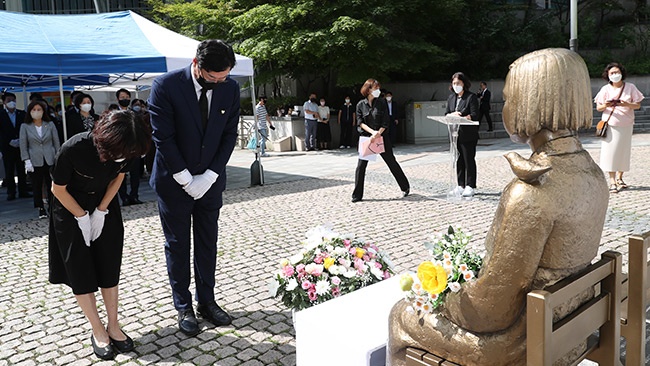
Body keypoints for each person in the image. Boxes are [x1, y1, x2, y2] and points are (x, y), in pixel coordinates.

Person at [388, 48, 609, 366]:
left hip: (521, 345)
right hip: (569, 329)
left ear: (531, 102)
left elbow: (490, 312)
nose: (505, 106)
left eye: (509, 98)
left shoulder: (531, 192)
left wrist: (442, 296)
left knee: (403, 313)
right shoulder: (593, 173)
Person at [148, 39, 239, 336]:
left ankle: (207, 301)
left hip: (210, 183)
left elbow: (228, 135)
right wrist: (186, 179)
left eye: (223, 77)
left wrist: (210, 175)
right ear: (197, 65)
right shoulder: (166, 86)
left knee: (207, 243)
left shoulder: (230, 88)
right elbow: (164, 138)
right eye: (213, 78)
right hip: (174, 183)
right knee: (177, 245)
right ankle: (183, 306)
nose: (219, 83)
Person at [48, 110, 151, 360]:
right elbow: (57, 189)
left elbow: (119, 177)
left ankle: (113, 326)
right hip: (70, 207)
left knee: (108, 265)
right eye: (117, 153)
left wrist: (101, 210)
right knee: (80, 270)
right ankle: (98, 330)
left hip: (104, 205)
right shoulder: (74, 148)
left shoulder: (129, 146)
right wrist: (82, 216)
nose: (122, 158)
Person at [352, 79, 410, 202]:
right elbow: (360, 122)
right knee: (361, 167)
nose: (378, 90)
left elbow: (385, 121)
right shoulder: (360, 105)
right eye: (375, 88)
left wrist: (378, 133)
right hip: (368, 138)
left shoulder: (382, 103)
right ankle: (357, 195)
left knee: (391, 162)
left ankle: (405, 187)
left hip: (382, 137)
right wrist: (372, 133)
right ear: (368, 90)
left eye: (378, 88)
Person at [594, 62, 644, 193]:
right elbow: (598, 107)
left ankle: (620, 178)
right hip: (610, 124)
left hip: (626, 124)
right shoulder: (605, 89)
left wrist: (627, 104)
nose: (615, 75)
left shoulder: (631, 87)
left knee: (624, 151)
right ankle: (611, 181)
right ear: (607, 75)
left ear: (622, 73)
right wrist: (606, 105)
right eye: (612, 73)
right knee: (611, 152)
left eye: (617, 72)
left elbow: (637, 105)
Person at [20, 100, 61, 218]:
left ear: (43, 111)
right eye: (34, 110)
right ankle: (41, 208)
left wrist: (58, 156)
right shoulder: (25, 126)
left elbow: (56, 141)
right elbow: (24, 144)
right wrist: (26, 160)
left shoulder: (50, 124)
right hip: (34, 159)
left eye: (39, 110)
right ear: (30, 112)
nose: (37, 112)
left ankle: (53, 206)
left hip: (50, 157)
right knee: (37, 185)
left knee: (51, 183)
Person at [445, 72, 480, 198]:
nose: (456, 86)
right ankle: (460, 185)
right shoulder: (451, 98)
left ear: (464, 83)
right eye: (454, 83)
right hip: (456, 134)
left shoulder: (471, 97)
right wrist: (451, 116)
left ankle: (470, 185)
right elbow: (447, 113)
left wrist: (462, 117)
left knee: (468, 159)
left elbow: (475, 114)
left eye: (458, 83)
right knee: (459, 159)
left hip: (468, 134)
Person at [117, 99, 149, 205]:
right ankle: (124, 197)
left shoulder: (134, 114)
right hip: (121, 149)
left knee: (135, 174)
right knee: (121, 175)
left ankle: (134, 195)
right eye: (122, 97)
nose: (124, 98)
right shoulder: (115, 114)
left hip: (134, 148)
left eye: (126, 96)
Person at [0, 92, 31, 200]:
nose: (12, 102)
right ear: (4, 102)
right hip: (7, 146)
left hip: (20, 145)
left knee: (21, 169)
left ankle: (23, 190)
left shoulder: (21, 114)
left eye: (13, 100)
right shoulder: (1, 114)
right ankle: (11, 192)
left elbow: (26, 128)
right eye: (9, 100)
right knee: (9, 170)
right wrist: (8, 141)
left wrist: (21, 140)